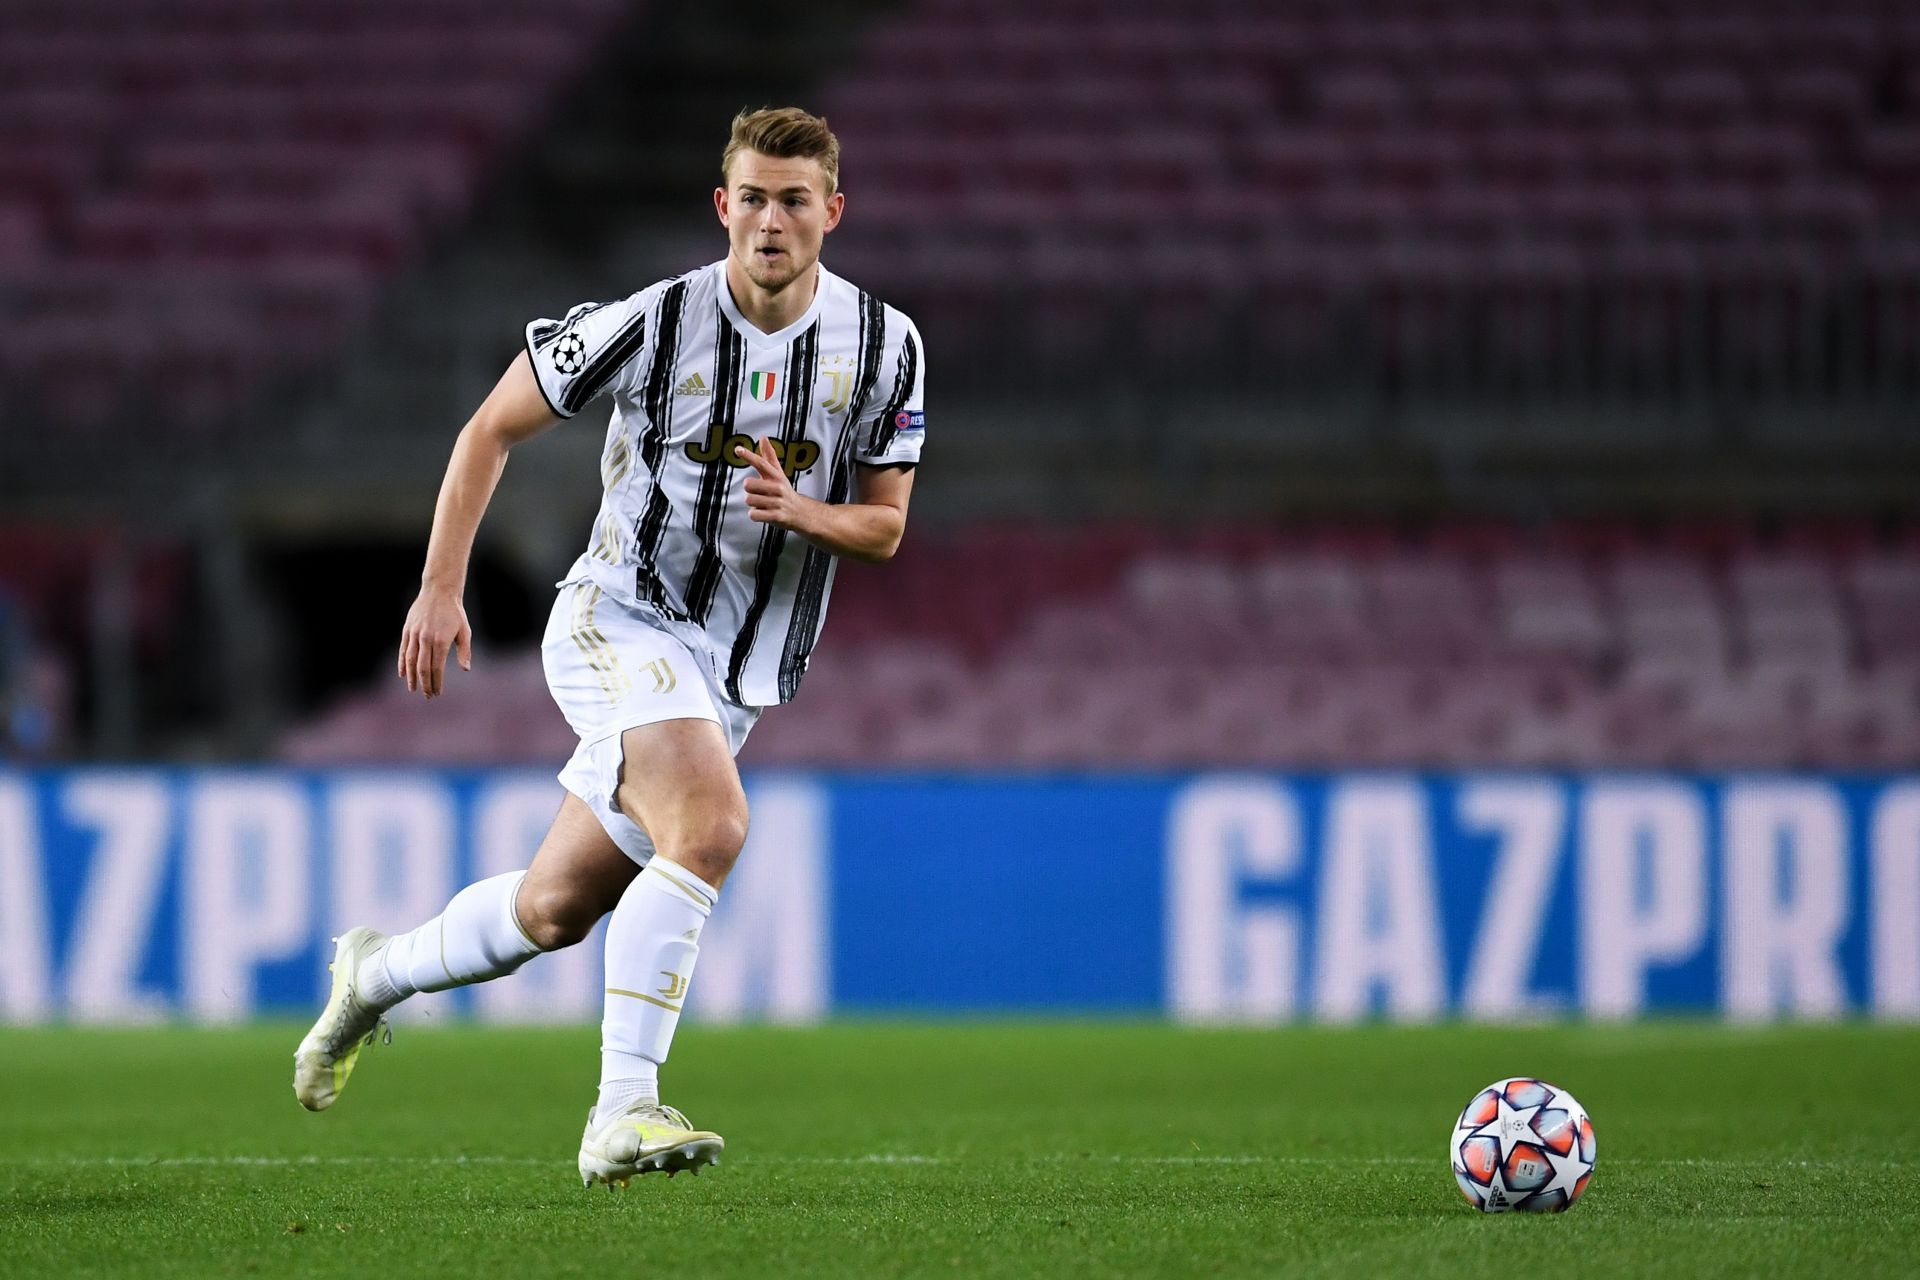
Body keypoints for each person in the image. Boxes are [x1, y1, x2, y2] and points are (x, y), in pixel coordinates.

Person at [292, 106, 925, 1188]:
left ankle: (373, 972)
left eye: (795, 200)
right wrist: (440, 588)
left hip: (731, 671)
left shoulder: (884, 345)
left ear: (833, 211)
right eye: (754, 199)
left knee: (554, 908)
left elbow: (885, 522)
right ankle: (622, 1112)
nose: (772, 220)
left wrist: (802, 512)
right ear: (724, 206)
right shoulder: (657, 320)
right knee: (713, 821)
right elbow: (489, 425)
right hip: (616, 615)